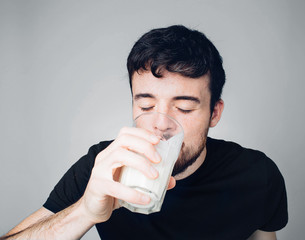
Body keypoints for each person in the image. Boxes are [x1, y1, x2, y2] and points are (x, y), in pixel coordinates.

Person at [1, 25, 288, 240]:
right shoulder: (104, 165)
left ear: (214, 113)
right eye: (147, 104)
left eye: (185, 108)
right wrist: (85, 211)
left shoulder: (257, 174)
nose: (161, 124)